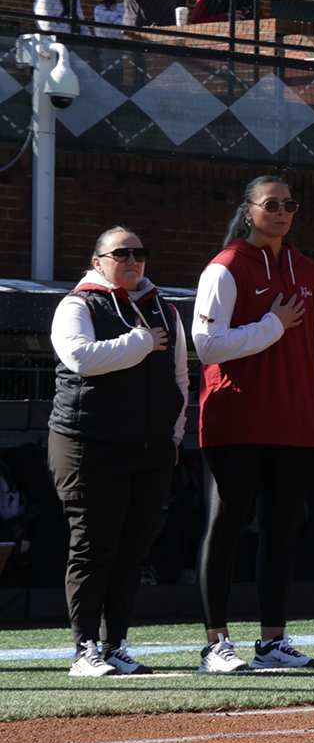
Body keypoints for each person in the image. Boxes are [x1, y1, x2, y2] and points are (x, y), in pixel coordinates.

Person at [191, 177, 314, 673]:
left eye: (289, 205)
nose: (281, 212)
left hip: (294, 421)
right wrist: (271, 326)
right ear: (248, 210)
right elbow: (207, 346)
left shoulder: (310, 272)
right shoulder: (226, 267)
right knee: (226, 526)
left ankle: (273, 641)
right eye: (271, 204)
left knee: (283, 531)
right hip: (237, 418)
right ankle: (217, 643)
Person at [50, 228, 187, 676]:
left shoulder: (165, 308)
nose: (132, 260)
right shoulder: (78, 303)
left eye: (140, 253)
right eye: (121, 253)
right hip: (88, 442)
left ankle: (115, 645)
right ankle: (85, 648)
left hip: (151, 446)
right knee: (94, 545)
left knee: (133, 549)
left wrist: (175, 432)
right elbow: (80, 357)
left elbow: (181, 378)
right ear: (97, 261)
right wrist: (141, 341)